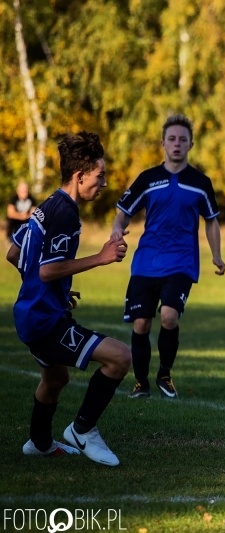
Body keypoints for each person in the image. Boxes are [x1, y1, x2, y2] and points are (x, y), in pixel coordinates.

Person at [6, 131, 130, 466]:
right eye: (99, 175)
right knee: (120, 358)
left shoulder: (46, 205)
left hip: (30, 314)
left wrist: (54, 288)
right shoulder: (66, 214)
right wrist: (101, 257)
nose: (102, 183)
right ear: (80, 176)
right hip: (44, 321)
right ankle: (83, 430)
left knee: (56, 379)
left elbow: (14, 253)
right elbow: (47, 270)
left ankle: (40, 442)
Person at [111, 114, 225, 400]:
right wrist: (117, 230)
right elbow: (123, 212)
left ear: (191, 144)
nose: (177, 144)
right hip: (146, 262)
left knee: (169, 317)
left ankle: (164, 373)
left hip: (182, 263)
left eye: (182, 140)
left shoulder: (201, 183)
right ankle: (141, 382)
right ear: (163, 143)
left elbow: (211, 220)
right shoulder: (148, 179)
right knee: (141, 323)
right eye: (172, 139)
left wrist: (217, 255)